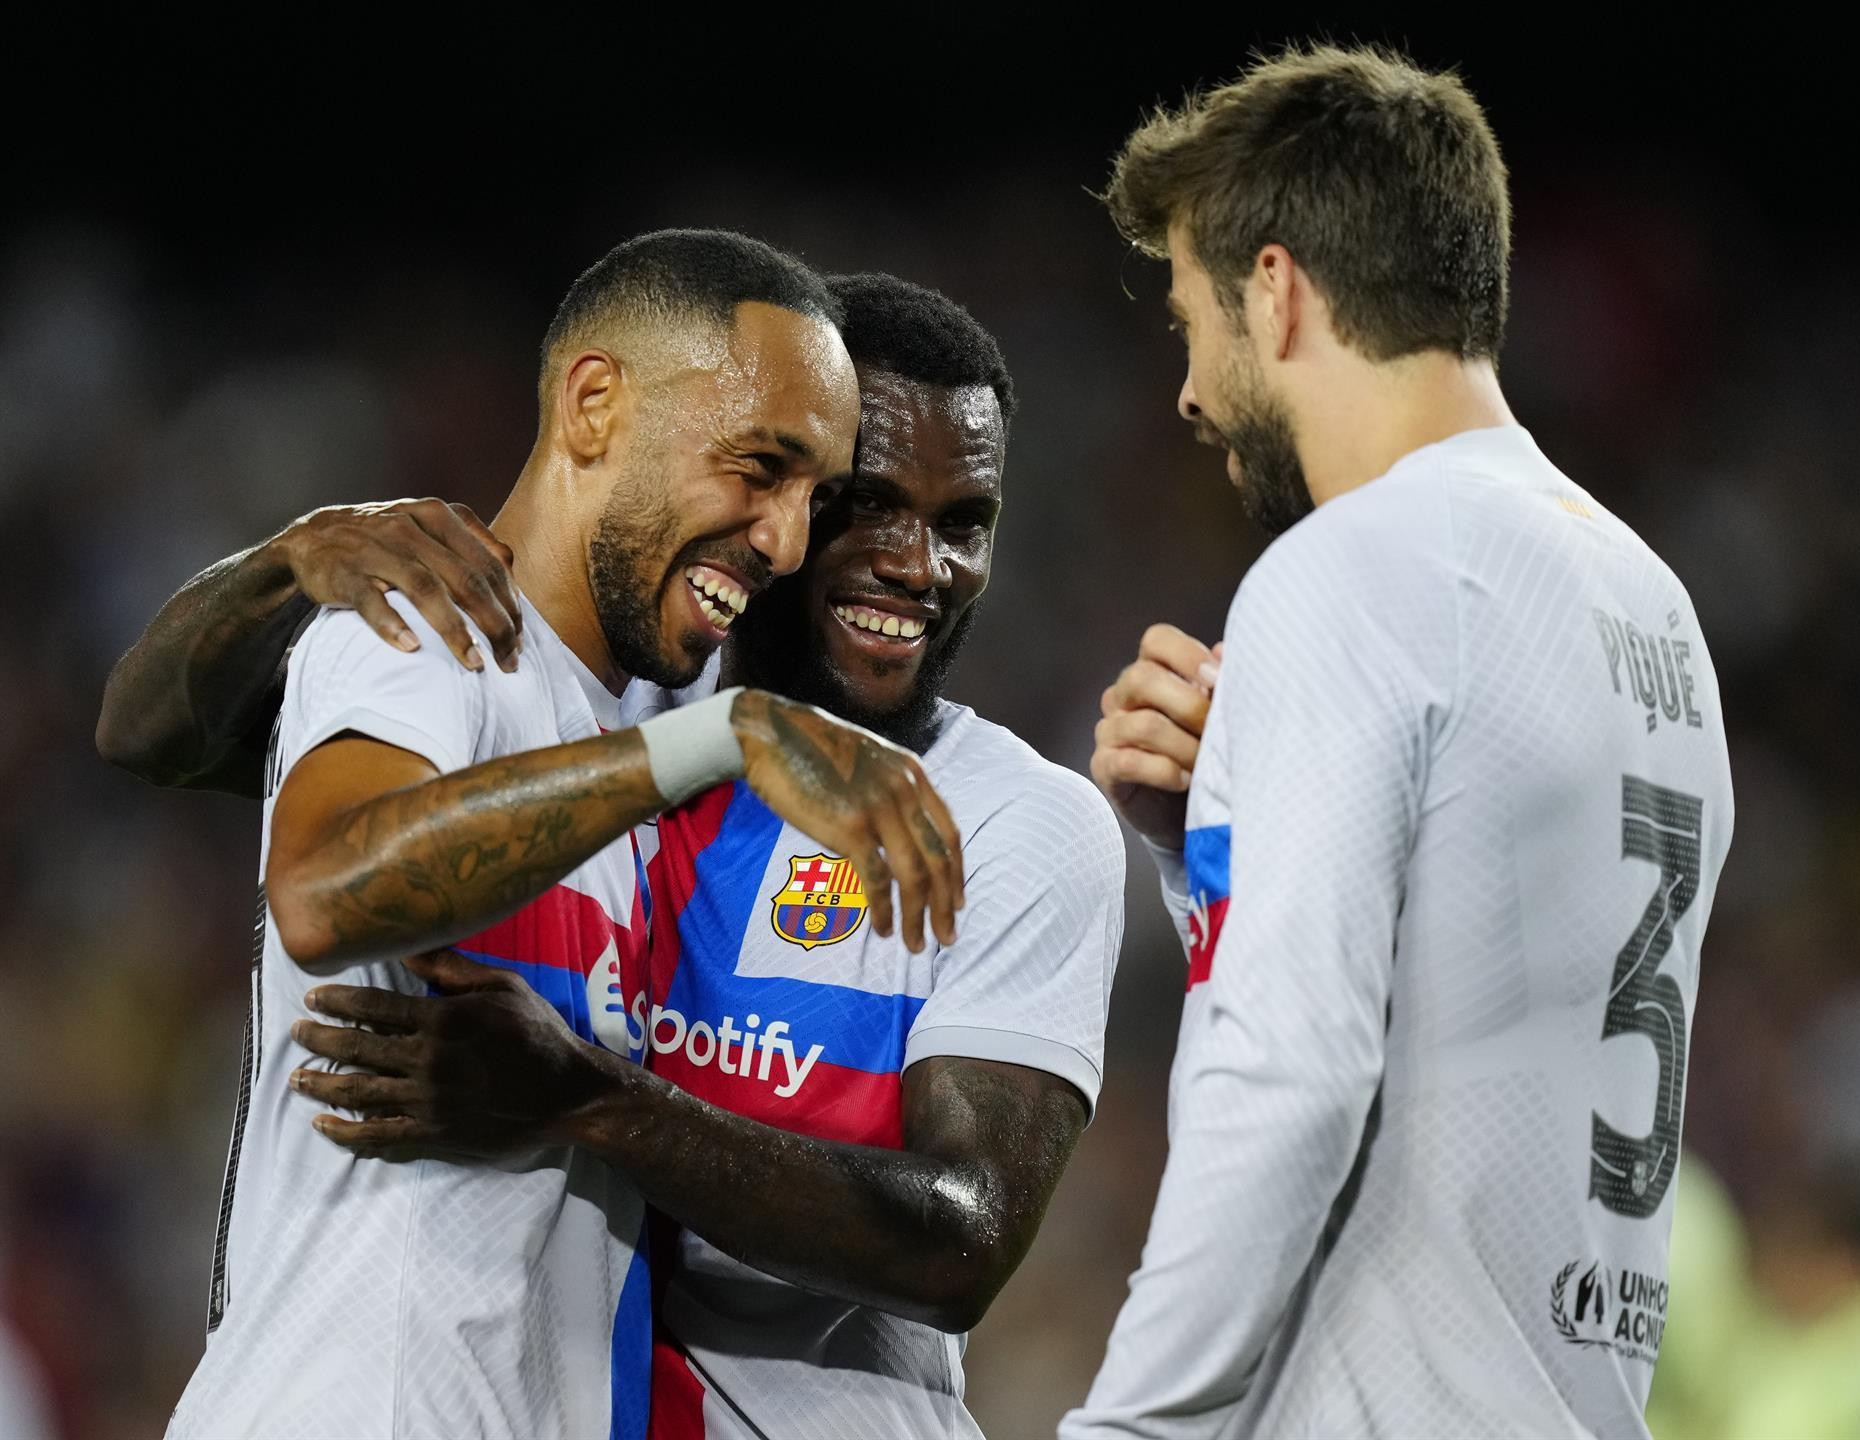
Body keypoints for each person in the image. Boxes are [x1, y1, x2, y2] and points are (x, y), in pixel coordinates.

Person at [104, 271, 1123, 1439]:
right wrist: (294, 560)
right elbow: (166, 744)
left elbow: (962, 1242)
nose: (914, 564)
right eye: (851, 499)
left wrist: (592, 1101)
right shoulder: (588, 709)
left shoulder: (1012, 818)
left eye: (963, 526)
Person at [1071, 45, 1735, 1438]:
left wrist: (1130, 1425)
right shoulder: (1650, 602)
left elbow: (1290, 1068)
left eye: (1191, 319)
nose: (1188, 393)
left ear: (1276, 287)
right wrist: (1209, 846)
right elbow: (1483, 987)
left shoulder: (1354, 569)